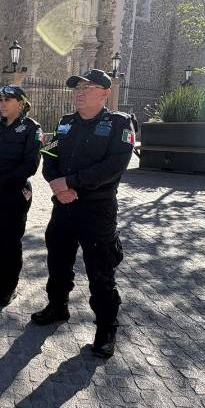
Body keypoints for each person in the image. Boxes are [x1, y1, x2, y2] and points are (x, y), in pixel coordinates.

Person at [35, 69, 137, 359]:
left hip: (97, 210)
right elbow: (49, 157)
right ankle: (57, 307)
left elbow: (115, 165)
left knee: (100, 271)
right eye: (77, 87)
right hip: (64, 206)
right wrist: (58, 186)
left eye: (88, 87)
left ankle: (106, 329)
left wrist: (70, 182)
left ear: (105, 93)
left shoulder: (120, 124)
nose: (80, 92)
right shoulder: (65, 123)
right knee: (58, 261)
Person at [0, 85, 42, 306]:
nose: (2, 103)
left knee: (10, 241)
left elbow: (30, 165)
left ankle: (8, 286)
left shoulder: (32, 129)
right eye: (0, 99)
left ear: (20, 104)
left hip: (13, 194)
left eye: (8, 100)